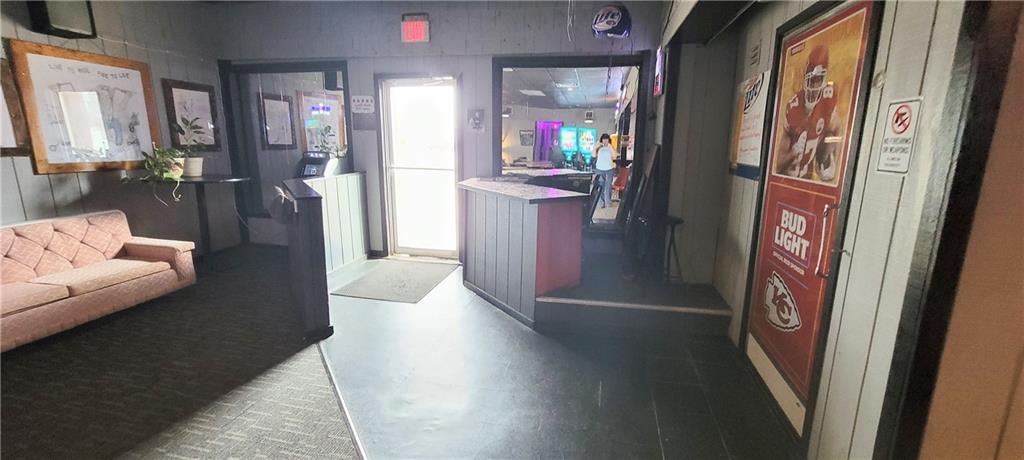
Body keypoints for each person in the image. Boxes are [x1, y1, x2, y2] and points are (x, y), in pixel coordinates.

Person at [776, 45, 844, 183]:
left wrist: (830, 156)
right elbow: (779, 165)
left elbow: (837, 129)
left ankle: (824, 163)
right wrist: (793, 153)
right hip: (790, 178)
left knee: (830, 136)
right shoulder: (793, 107)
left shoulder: (828, 100)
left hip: (808, 178)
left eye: (818, 80)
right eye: (811, 80)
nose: (814, 86)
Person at [593, 133, 615, 208]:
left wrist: (610, 146)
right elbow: (593, 155)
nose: (605, 141)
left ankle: (608, 202)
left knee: (608, 186)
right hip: (599, 169)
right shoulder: (599, 148)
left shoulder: (610, 147)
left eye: (606, 139)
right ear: (601, 140)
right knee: (600, 186)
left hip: (609, 169)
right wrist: (596, 146)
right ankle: (601, 203)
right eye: (604, 139)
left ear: (609, 140)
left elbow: (614, 155)